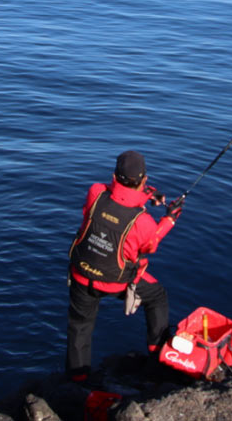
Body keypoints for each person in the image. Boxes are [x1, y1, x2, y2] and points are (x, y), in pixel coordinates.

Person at [66, 149, 183, 381]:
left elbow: (116, 194)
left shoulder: (95, 193)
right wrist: (169, 218)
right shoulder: (143, 222)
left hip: (80, 273)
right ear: (144, 179)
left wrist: (148, 194)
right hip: (115, 281)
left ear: (114, 175)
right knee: (157, 296)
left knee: (80, 327)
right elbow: (150, 244)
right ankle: (157, 354)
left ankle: (76, 382)